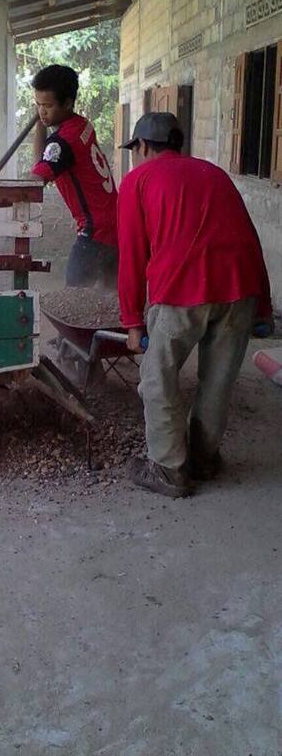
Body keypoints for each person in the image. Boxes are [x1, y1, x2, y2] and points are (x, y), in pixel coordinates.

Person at [117, 111, 273, 499]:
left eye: (134, 149)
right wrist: (264, 309)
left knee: (158, 378)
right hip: (240, 289)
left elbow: (132, 257)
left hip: (181, 290)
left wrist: (133, 323)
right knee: (218, 380)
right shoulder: (215, 174)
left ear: (143, 146)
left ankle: (169, 469)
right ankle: (204, 459)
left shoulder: (138, 180)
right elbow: (250, 239)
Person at [30, 64, 118, 289]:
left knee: (74, 299)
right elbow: (43, 161)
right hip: (114, 223)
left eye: (47, 105)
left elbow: (33, 183)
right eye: (38, 105)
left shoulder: (63, 142)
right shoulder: (82, 125)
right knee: (110, 297)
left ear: (68, 103)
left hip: (95, 230)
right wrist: (41, 124)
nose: (42, 111)